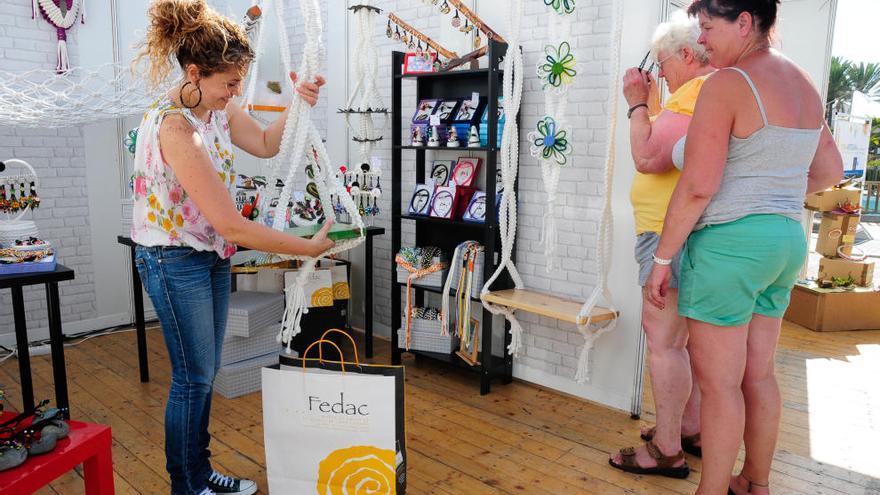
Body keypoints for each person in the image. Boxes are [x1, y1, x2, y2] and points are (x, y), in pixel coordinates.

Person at [131, 1, 334, 494]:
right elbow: (233, 226)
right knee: (193, 377)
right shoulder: (175, 127)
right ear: (195, 73)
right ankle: (189, 485)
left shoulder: (216, 108)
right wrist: (305, 248)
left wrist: (299, 103)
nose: (234, 95)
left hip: (208, 255)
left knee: (204, 372)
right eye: (229, 85)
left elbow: (265, 143)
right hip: (172, 258)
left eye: (238, 85)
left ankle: (200, 475)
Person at [645, 1, 843, 493]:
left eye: (709, 28)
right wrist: (771, 192)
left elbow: (696, 186)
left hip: (731, 246)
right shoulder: (803, 84)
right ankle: (754, 483)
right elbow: (828, 172)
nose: (703, 41)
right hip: (784, 242)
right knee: (759, 376)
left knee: (719, 387)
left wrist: (662, 259)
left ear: (745, 23)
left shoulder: (727, 85)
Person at [610, 11, 714, 479]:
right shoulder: (706, 92)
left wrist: (638, 103)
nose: (659, 76)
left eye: (663, 63)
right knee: (679, 341)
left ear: (688, 55)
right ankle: (687, 428)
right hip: (675, 233)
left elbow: (648, 157)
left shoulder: (695, 92)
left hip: (665, 236)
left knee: (665, 345)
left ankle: (668, 447)